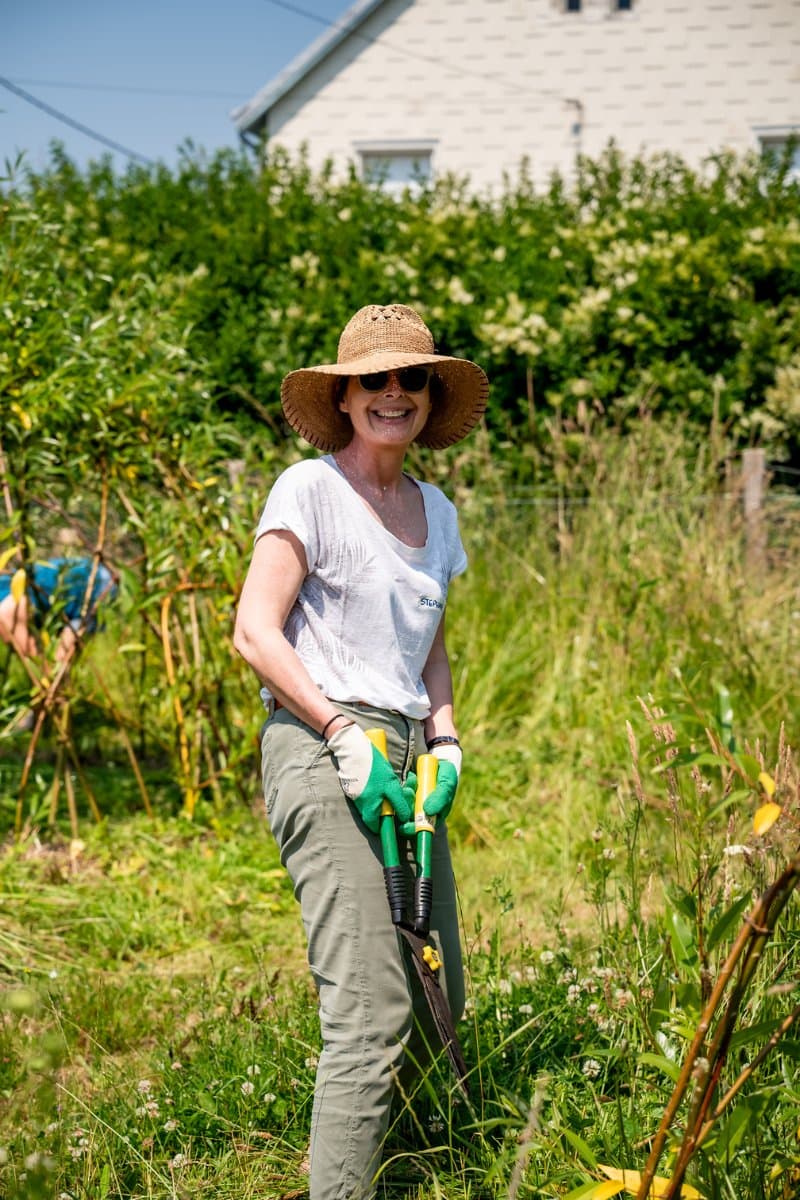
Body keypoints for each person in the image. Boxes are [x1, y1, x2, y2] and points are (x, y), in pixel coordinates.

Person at [233, 302, 489, 1200]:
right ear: (343, 397)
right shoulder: (308, 490)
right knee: (373, 1009)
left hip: (410, 752)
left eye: (410, 379)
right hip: (320, 737)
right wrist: (342, 734)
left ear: (428, 397)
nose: (392, 394)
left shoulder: (438, 512)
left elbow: (431, 644)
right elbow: (255, 632)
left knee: (432, 992)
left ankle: (419, 1171)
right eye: (372, 380)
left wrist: (448, 742)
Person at [0, 554, 119, 701]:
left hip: (94, 585)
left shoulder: (5, 613)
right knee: (58, 668)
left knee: (57, 669)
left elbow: (37, 663)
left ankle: (51, 716)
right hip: (84, 575)